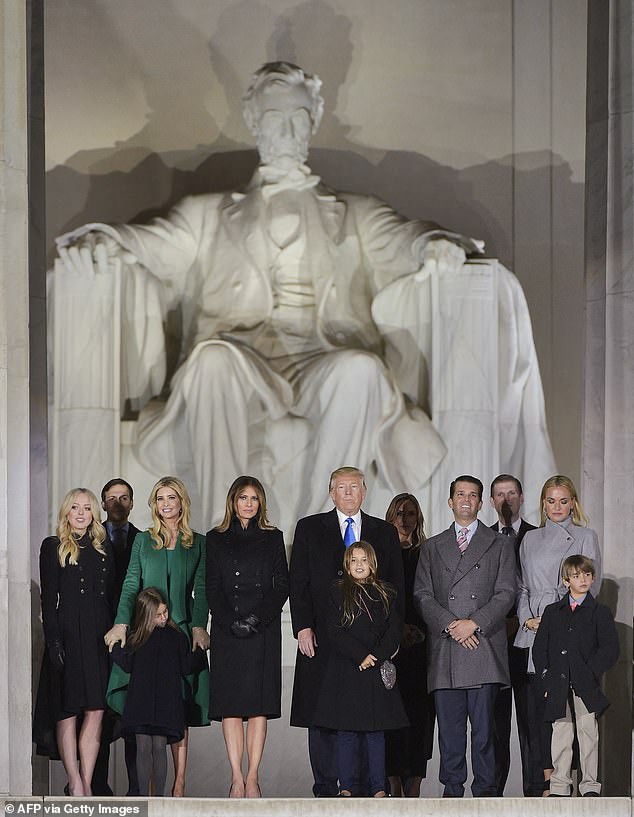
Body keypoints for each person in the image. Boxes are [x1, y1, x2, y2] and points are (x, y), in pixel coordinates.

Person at [53, 60, 554, 529]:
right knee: (210, 363)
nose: (287, 131)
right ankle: (225, 535)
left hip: (322, 357)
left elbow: (403, 238)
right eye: (274, 118)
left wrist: (433, 245)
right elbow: (151, 243)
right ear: (254, 120)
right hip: (239, 357)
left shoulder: (354, 212)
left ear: (313, 121)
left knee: (361, 371)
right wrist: (106, 241)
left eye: (298, 118)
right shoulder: (208, 213)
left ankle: (318, 535)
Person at [289, 466, 404, 797]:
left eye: (355, 487)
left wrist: (393, 641)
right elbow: (299, 583)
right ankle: (327, 787)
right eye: (342, 487)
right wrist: (303, 628)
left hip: (372, 645)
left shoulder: (384, 532)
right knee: (323, 712)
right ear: (331, 492)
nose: (349, 492)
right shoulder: (310, 528)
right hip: (325, 641)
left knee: (370, 716)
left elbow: (397, 585)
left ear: (365, 492)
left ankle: (369, 788)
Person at [104, 476, 210, 797]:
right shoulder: (143, 541)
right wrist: (122, 623)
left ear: (181, 503)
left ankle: (178, 784)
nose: (165, 504)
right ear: (154, 505)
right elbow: (131, 583)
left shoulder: (199, 542)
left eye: (171, 498)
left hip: (179, 634)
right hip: (144, 632)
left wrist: (198, 626)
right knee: (140, 709)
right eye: (160, 499)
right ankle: (144, 789)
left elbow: (202, 590)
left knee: (178, 708)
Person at [413, 475, 516, 798]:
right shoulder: (432, 547)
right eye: (460, 494)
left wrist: (473, 623)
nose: (466, 500)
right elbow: (422, 595)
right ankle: (452, 792)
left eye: (473, 495)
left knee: (486, 733)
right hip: (446, 648)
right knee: (450, 733)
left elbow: (506, 593)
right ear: (450, 501)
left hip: (483, 646)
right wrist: (451, 624)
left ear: (482, 503)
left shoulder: (499, 544)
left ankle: (485, 792)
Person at [514, 474, 602, 796]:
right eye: (551, 501)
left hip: (569, 631)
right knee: (545, 707)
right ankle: (552, 777)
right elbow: (522, 586)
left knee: (579, 711)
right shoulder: (530, 539)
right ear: (543, 504)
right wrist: (527, 619)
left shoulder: (585, 536)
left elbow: (593, 587)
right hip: (536, 630)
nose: (557, 507)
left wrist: (555, 619)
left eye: (563, 501)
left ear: (573, 503)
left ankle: (580, 780)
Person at [205, 476, 289, 799]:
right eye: (243, 497)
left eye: (255, 498)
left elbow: (282, 584)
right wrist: (230, 621)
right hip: (228, 633)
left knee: (257, 708)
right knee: (231, 708)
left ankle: (253, 777)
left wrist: (257, 618)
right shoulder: (215, 538)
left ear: (261, 503)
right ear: (233, 501)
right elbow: (212, 585)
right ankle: (236, 777)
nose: (249, 503)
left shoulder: (272, 538)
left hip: (262, 631)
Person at [33, 488, 114, 796]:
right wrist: (54, 642)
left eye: (87, 508)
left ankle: (88, 781)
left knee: (96, 710)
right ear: (66, 512)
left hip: (98, 637)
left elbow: (111, 596)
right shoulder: (53, 546)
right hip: (66, 635)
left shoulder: (103, 548)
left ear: (94, 513)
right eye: (75, 508)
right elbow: (48, 599)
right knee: (66, 711)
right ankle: (75, 781)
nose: (81, 513)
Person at [312, 542, 408, 797]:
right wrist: (360, 655)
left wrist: (376, 655)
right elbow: (333, 630)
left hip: (375, 670)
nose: (359, 564)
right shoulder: (336, 591)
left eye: (364, 559)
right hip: (347, 671)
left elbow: (394, 630)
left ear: (372, 563)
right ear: (347, 564)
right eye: (353, 560)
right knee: (347, 733)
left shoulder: (387, 592)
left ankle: (378, 787)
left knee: (376, 734)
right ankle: (347, 787)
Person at [532, 555, 619, 797]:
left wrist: (589, 673)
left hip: (585, 683)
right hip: (558, 682)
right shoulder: (552, 612)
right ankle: (560, 784)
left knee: (588, 731)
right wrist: (547, 678)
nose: (583, 579)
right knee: (561, 731)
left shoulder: (599, 612)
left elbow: (610, 649)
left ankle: (590, 785)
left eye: (587, 575)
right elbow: (540, 649)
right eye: (577, 575)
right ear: (565, 581)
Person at [111, 588, 208, 796]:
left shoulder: (176, 637)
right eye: (158, 615)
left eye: (165, 612)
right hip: (141, 702)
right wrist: (113, 648)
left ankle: (159, 797)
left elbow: (186, 666)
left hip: (166, 702)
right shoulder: (137, 638)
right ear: (147, 615)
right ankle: (144, 797)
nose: (164, 618)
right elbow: (127, 663)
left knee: (159, 745)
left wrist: (200, 651)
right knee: (143, 746)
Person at [488, 474, 537, 796]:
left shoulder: (539, 536)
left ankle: (537, 793)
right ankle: (492, 796)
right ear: (491, 501)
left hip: (532, 644)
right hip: (493, 646)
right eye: (499, 495)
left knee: (533, 723)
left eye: (511, 493)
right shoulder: (483, 538)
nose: (506, 500)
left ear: (521, 497)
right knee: (494, 727)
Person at [383, 493, 435, 797]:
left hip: (422, 647)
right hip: (390, 647)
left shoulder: (427, 554)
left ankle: (415, 781)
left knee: (420, 716)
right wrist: (396, 630)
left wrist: (419, 630)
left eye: (411, 513)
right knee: (392, 713)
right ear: (391, 517)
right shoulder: (381, 553)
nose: (405, 519)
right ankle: (391, 782)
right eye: (399, 513)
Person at [92, 478, 141, 796]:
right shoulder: (90, 540)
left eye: (124, 497)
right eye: (112, 498)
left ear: (132, 503)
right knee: (99, 713)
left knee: (132, 715)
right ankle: (96, 785)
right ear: (103, 503)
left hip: (136, 636)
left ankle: (137, 787)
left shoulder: (144, 539)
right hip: (98, 636)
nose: (118, 503)